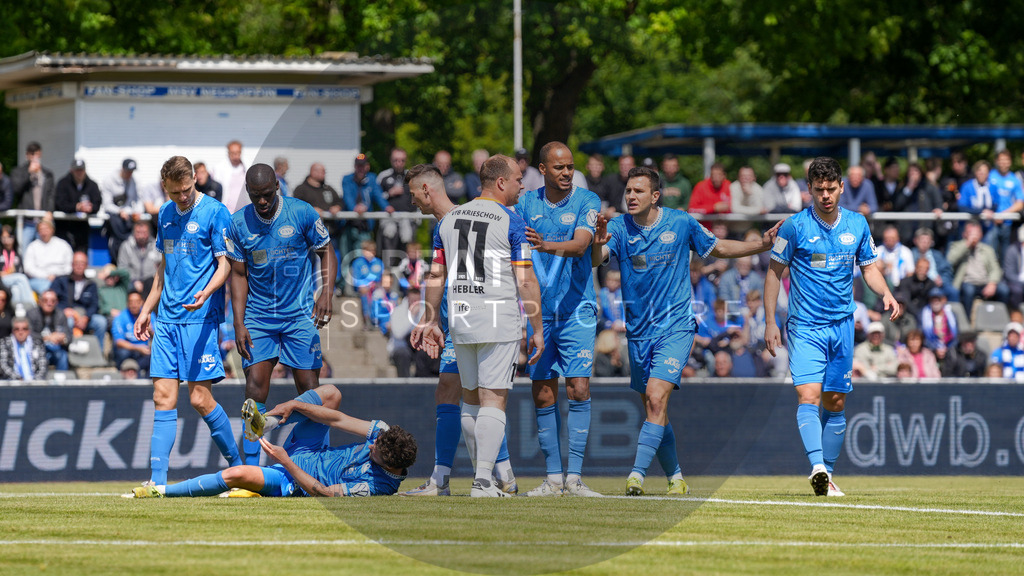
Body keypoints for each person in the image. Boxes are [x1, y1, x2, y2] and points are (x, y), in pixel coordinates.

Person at [592, 165, 781, 496]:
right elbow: (597, 259)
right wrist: (596, 241)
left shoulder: (681, 223)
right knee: (656, 408)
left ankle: (635, 475)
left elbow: (719, 248)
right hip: (638, 333)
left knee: (654, 397)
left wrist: (761, 246)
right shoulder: (620, 227)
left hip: (676, 327)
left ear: (655, 195)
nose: (631, 196)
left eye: (638, 191)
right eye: (628, 191)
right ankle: (676, 477)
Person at [764, 156, 902, 498]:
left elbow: (868, 268)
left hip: (842, 325)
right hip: (805, 326)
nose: (825, 195)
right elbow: (773, 273)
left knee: (836, 402)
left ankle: (827, 477)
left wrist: (885, 293)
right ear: (809, 189)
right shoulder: (794, 226)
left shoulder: (857, 224)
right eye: (819, 189)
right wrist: (769, 321)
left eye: (831, 189)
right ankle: (817, 466)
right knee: (808, 395)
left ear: (841, 187)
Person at [412, 154, 545, 498]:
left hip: (461, 319)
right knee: (493, 400)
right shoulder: (512, 221)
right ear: (500, 182)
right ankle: (484, 481)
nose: (521, 185)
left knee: (470, 401)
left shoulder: (449, 220)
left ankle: (484, 477)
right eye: (517, 179)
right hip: (497, 318)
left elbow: (436, 275)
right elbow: (526, 278)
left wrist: (430, 320)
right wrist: (538, 327)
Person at [133, 155, 241, 488]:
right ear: (164, 188)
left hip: (200, 318)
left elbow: (225, 265)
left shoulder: (216, 211)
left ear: (194, 179)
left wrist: (207, 293)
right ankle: (157, 484)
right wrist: (146, 309)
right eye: (175, 192)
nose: (182, 197)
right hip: (166, 321)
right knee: (162, 398)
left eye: (186, 189)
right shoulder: (164, 214)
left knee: (199, 399)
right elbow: (163, 270)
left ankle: (240, 470)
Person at [226, 163, 336, 466]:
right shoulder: (237, 224)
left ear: (277, 186)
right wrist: (238, 322)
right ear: (247, 192)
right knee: (255, 386)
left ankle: (314, 463)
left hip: (299, 316)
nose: (262, 201)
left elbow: (326, 250)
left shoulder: (301, 212)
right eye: (255, 196)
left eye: (266, 194)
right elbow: (238, 274)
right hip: (259, 317)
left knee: (310, 390)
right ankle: (250, 467)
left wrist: (326, 292)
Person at [127, 385, 417, 498]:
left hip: (292, 478)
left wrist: (286, 461)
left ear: (388, 464)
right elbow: (337, 420)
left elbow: (323, 492)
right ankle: (266, 423)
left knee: (236, 474)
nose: (370, 445)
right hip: (312, 448)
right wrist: (295, 405)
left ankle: (161, 491)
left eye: (374, 451)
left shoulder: (377, 487)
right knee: (331, 393)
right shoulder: (382, 433)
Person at [512, 141, 603, 497]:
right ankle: (552, 478)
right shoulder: (525, 202)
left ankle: (575, 478)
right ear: (543, 169)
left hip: (578, 308)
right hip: (539, 312)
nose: (567, 173)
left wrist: (545, 244)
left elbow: (582, 245)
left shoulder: (587, 201)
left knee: (578, 387)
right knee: (543, 393)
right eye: (559, 167)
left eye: (570, 167)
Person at [50, 251, 107, 351]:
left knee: (101, 322)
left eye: (82, 263)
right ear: (72, 264)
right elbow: (51, 299)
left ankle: (99, 353)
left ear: (86, 265)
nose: (79, 266)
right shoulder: (61, 281)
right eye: (77, 263)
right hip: (66, 316)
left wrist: (86, 317)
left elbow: (94, 305)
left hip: (84, 317)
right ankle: (70, 353)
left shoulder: (91, 284)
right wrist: (63, 311)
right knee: (69, 322)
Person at [947, 219, 1006, 314]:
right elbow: (950, 260)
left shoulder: (987, 250)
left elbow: (995, 268)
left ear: (981, 234)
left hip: (985, 282)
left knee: (1004, 290)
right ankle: (967, 322)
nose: (974, 236)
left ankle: (1001, 319)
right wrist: (967, 245)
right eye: (970, 233)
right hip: (967, 282)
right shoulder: (957, 246)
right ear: (964, 234)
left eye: (976, 233)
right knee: (968, 291)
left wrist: (992, 283)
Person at [9, 141, 55, 246]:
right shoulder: (18, 172)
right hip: (26, 222)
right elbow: (16, 189)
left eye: (37, 154)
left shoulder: (47, 174)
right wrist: (29, 173)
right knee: (24, 252)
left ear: (40, 154)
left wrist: (50, 211)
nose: (34, 157)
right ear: (27, 155)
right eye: (31, 154)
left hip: (44, 222)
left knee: (45, 252)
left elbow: (51, 195)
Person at [99, 159, 142, 262]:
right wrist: (119, 211)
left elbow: (138, 200)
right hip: (114, 217)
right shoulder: (109, 180)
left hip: (128, 217)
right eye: (128, 171)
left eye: (132, 171)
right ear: (122, 169)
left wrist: (137, 212)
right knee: (116, 242)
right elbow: (107, 204)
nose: (130, 174)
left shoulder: (133, 181)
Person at [53, 159, 101, 251]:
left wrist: (90, 208)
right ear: (72, 171)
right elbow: (59, 203)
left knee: (81, 255)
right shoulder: (63, 183)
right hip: (64, 227)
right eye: (77, 170)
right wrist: (77, 207)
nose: (79, 173)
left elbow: (97, 203)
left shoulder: (92, 185)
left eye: (81, 170)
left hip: (82, 228)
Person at [985, 149, 1024, 257]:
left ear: (1010, 162)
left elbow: (1020, 203)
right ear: (996, 161)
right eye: (1001, 160)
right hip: (989, 223)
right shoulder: (989, 176)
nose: (1003, 163)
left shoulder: (1014, 180)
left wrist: (1002, 215)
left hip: (1007, 224)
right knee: (989, 255)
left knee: (1005, 257)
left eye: (1006, 160)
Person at [23, 218, 72, 296]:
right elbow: (28, 268)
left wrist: (56, 275)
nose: (44, 232)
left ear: (52, 230)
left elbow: (69, 266)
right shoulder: (32, 246)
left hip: (61, 277)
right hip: (39, 280)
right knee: (48, 288)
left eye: (46, 229)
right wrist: (46, 276)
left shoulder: (63, 245)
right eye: (41, 229)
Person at [27, 290, 70, 370]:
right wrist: (47, 338)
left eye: (52, 301)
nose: (49, 303)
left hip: (56, 349)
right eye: (46, 300)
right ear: (40, 301)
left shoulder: (60, 314)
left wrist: (63, 339)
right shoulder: (31, 313)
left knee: (63, 355)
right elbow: (28, 334)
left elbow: (69, 336)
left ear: (56, 302)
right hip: (36, 348)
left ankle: (62, 380)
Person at [117, 220, 161, 294]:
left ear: (149, 233)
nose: (141, 236)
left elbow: (160, 264)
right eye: (138, 233)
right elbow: (122, 267)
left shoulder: (156, 246)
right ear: (133, 233)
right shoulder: (126, 246)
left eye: (144, 233)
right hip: (131, 282)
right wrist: (134, 281)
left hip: (151, 281)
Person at [112, 290, 150, 374]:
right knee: (122, 353)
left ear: (142, 302)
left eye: (137, 302)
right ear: (127, 303)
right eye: (131, 302)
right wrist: (137, 348)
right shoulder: (120, 317)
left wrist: (150, 330)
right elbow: (118, 342)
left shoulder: (149, 315)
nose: (134, 305)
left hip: (144, 352)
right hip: (128, 351)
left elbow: (157, 335)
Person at [0, 225, 35, 307]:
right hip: (1, 280)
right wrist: (5, 273)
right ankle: (32, 306)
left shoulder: (17, 254)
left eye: (9, 237)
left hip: (13, 281)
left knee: (16, 290)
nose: (6, 240)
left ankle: (17, 312)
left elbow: (20, 270)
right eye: (3, 237)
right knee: (21, 278)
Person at [213, 140, 249, 213]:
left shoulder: (247, 166)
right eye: (233, 153)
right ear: (228, 153)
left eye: (237, 153)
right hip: (227, 211)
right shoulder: (220, 168)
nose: (235, 156)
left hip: (245, 211)